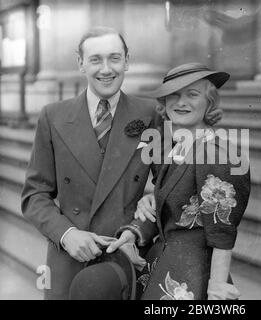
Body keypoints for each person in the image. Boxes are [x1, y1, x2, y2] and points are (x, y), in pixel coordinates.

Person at [21, 26, 158, 300]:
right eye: (95, 59)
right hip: (69, 258)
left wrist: (138, 228)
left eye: (114, 58)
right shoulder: (53, 117)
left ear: (127, 61)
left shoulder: (149, 114)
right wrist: (67, 234)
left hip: (125, 257)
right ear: (80, 63)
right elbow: (34, 195)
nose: (106, 69)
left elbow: (169, 187)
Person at [107, 62, 251, 300]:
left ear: (209, 103)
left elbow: (222, 231)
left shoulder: (217, 154)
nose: (180, 102)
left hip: (195, 276)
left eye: (192, 95)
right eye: (172, 95)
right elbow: (172, 205)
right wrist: (136, 228)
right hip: (161, 264)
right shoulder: (174, 148)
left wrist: (217, 286)